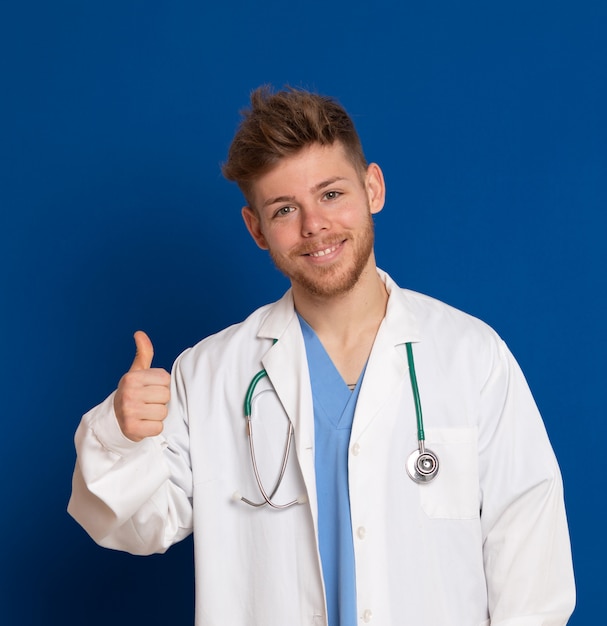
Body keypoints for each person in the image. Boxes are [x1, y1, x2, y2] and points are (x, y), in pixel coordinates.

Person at [68, 85, 576, 625]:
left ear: (373, 187)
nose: (314, 226)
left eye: (331, 194)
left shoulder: (472, 357)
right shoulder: (210, 375)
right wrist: (124, 438)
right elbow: (133, 526)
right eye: (285, 209)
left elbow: (530, 564)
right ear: (256, 229)